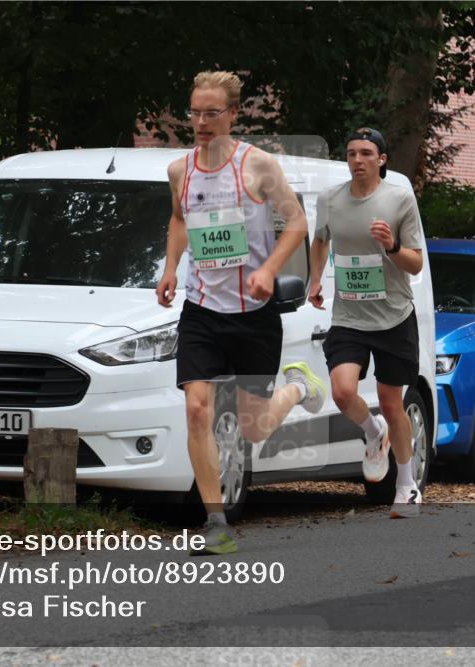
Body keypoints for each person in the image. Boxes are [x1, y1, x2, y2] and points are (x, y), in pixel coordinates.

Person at [155, 71, 327, 555]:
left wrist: (270, 269)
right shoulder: (179, 170)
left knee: (254, 428)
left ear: (233, 114)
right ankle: (216, 521)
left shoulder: (258, 166)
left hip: (254, 314)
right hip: (202, 310)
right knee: (196, 409)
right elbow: (178, 218)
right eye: (195, 112)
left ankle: (298, 387)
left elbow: (297, 222)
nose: (202, 122)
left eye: (212, 113)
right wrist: (170, 268)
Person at [308, 127, 425, 518]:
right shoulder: (330, 200)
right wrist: (314, 279)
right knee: (341, 392)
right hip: (349, 316)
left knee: (393, 402)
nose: (357, 160)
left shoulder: (399, 199)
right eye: (352, 153)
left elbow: (416, 262)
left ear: (382, 159)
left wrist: (391, 245)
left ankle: (406, 486)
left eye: (366, 153)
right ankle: (374, 434)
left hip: (393, 316)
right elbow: (320, 240)